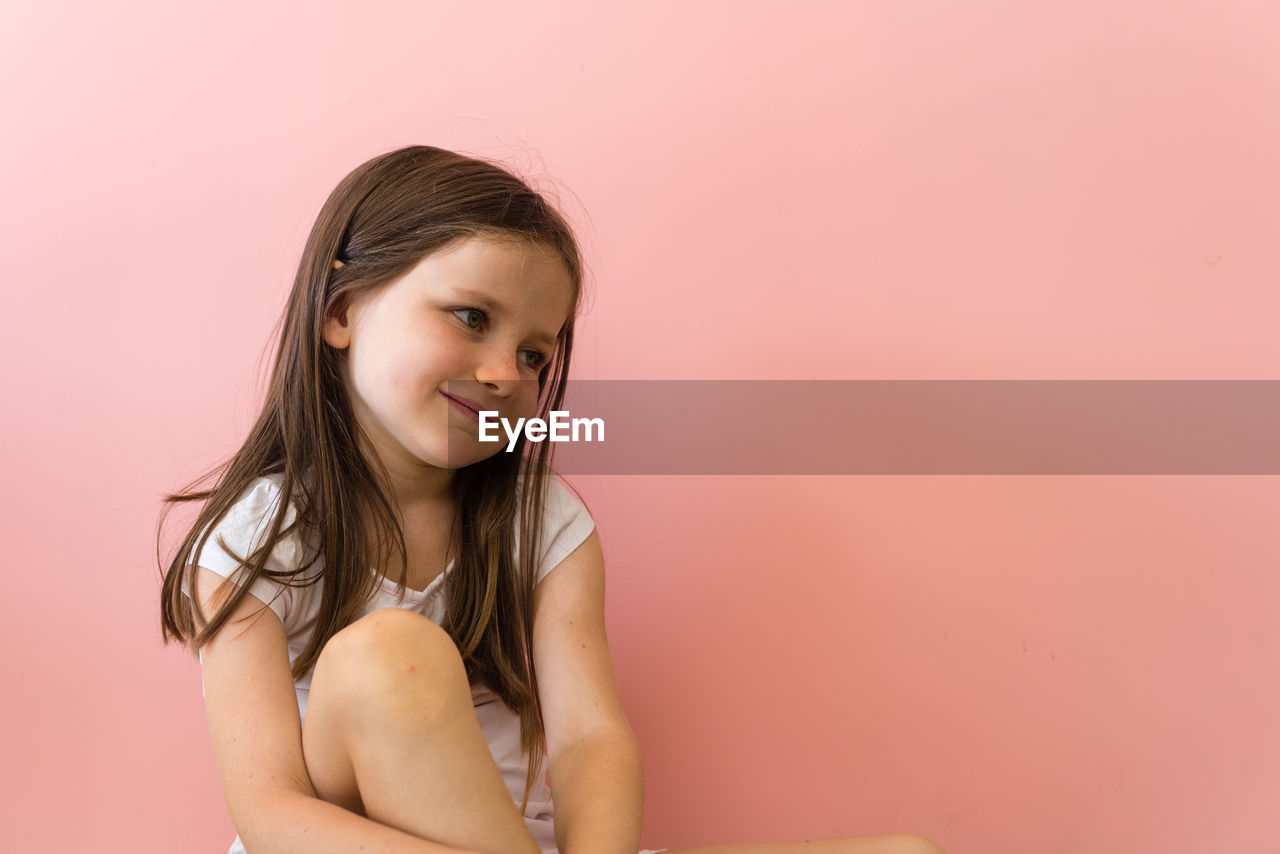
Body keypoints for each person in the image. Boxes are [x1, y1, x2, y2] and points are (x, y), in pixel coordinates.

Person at [157, 144, 946, 854]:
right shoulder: (256, 540)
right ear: (341, 312)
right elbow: (269, 813)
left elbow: (588, 742)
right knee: (380, 659)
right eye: (472, 318)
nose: (505, 373)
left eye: (534, 353)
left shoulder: (543, 524)